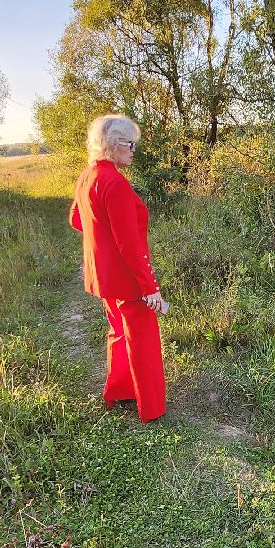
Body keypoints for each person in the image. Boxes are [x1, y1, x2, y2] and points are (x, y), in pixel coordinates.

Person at [70, 114, 168, 422]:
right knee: (143, 340)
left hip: (103, 278)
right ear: (112, 146)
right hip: (127, 281)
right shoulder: (115, 184)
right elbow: (130, 245)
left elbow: (77, 220)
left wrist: (101, 242)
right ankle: (151, 408)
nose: (133, 150)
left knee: (118, 333)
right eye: (130, 144)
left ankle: (120, 391)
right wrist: (150, 287)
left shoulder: (87, 176)